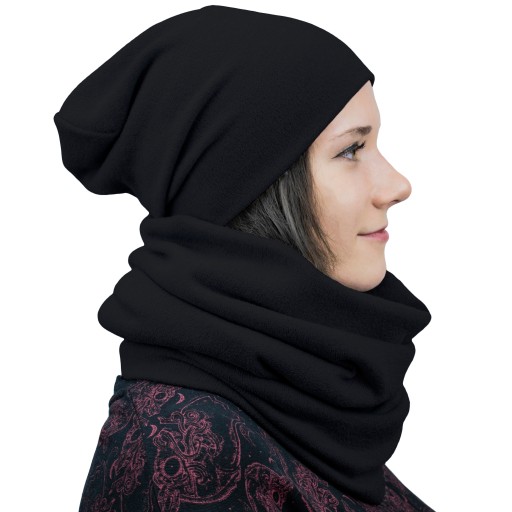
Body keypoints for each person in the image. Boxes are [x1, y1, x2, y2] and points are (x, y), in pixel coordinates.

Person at [53, 5, 434, 511]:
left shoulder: (292, 404)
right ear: (249, 185)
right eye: (350, 150)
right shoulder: (186, 454)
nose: (397, 185)